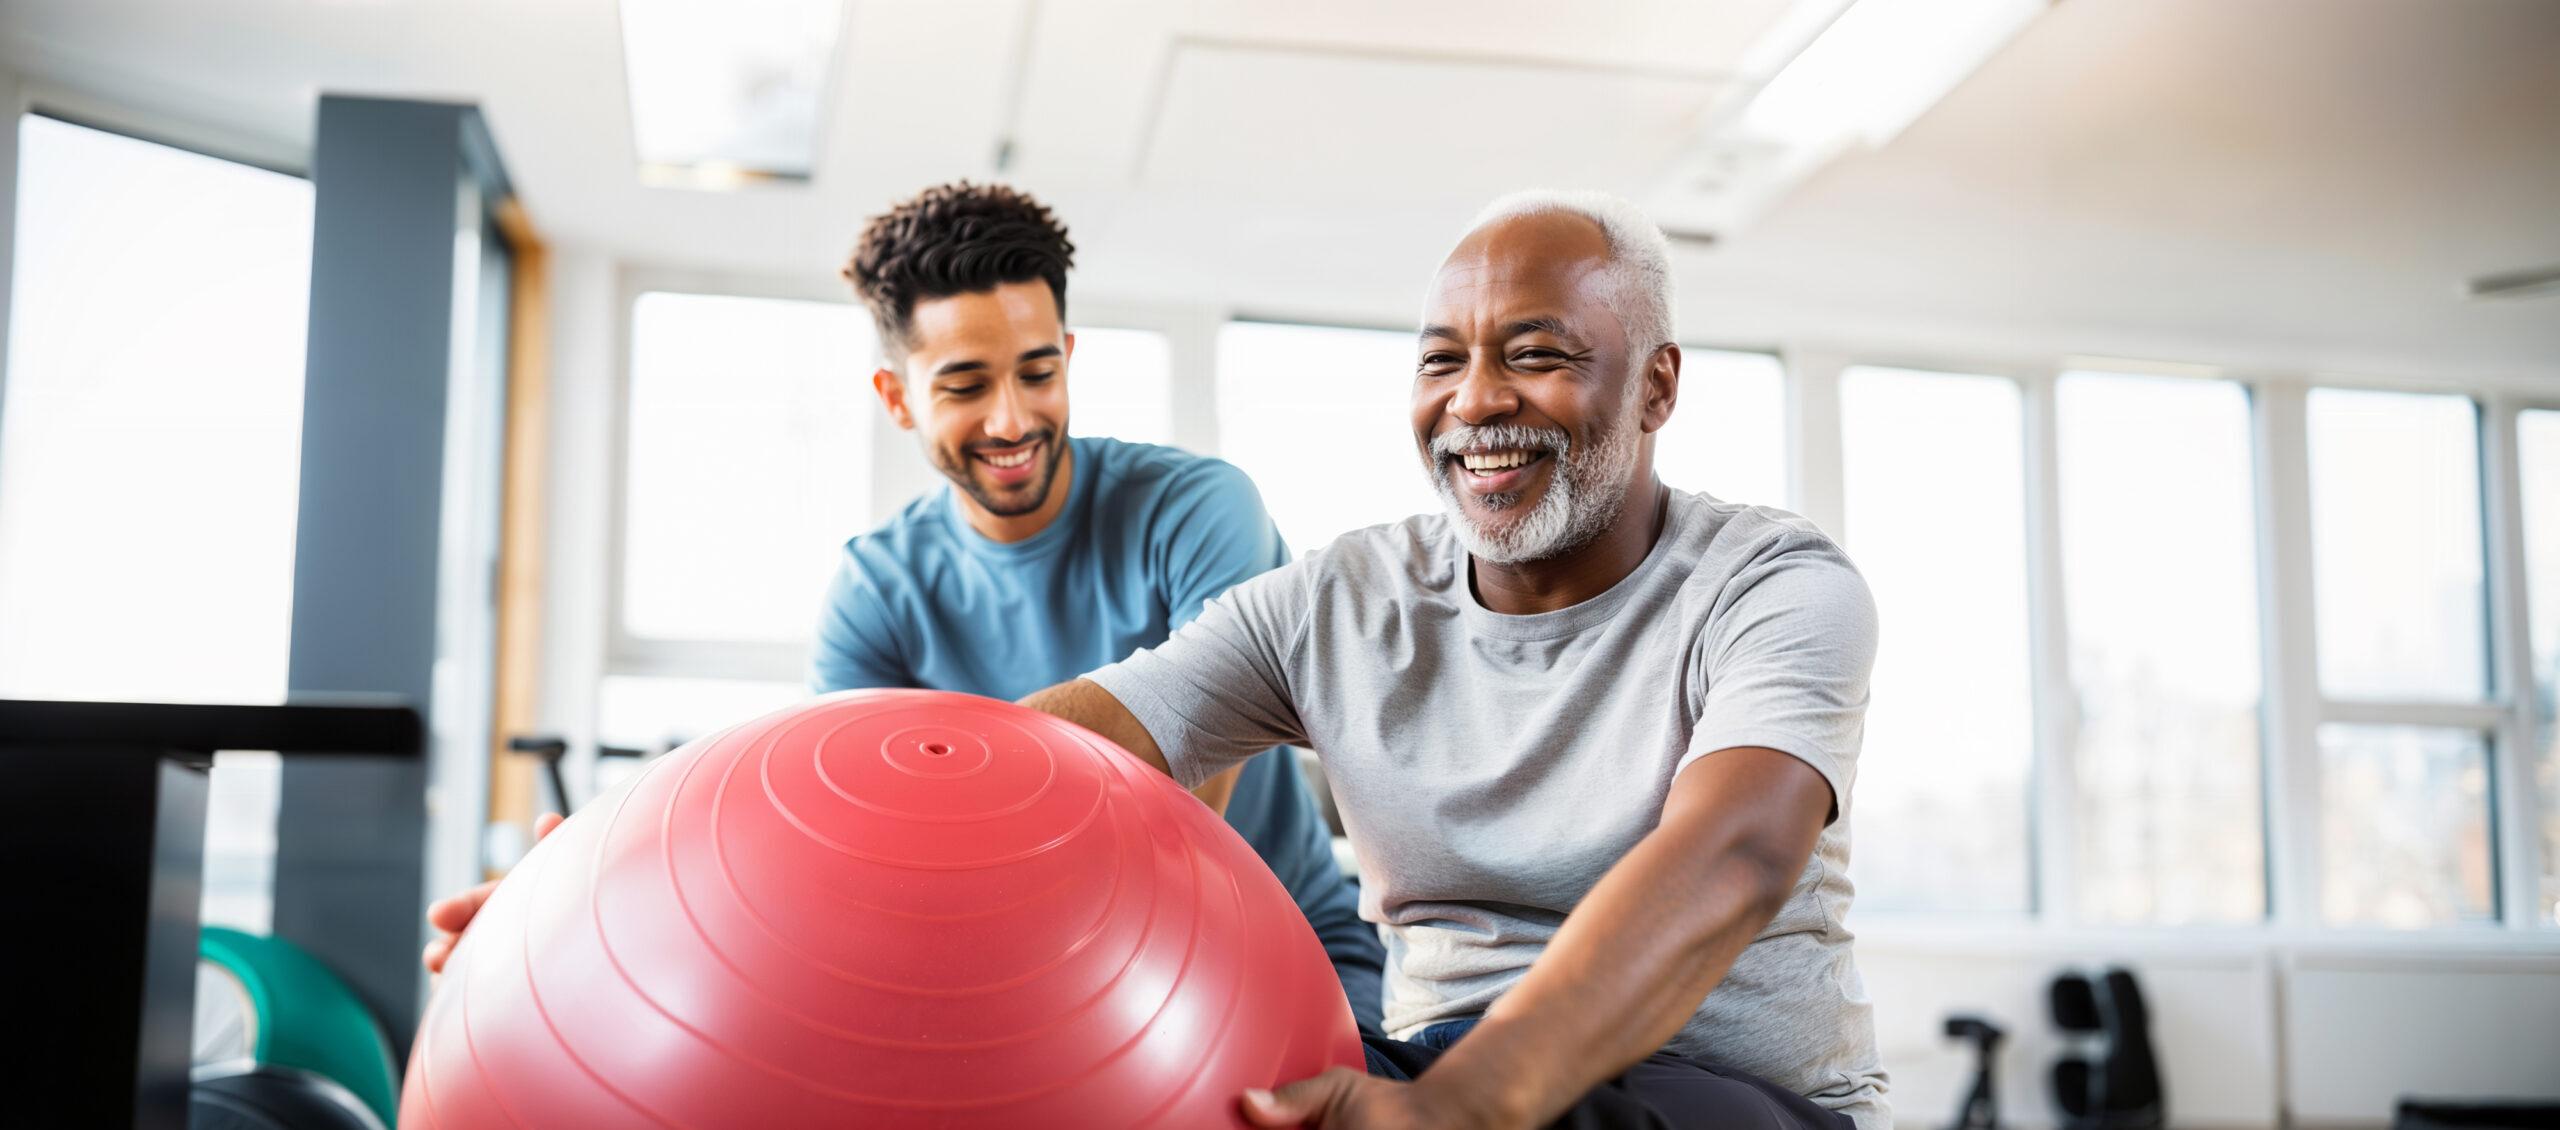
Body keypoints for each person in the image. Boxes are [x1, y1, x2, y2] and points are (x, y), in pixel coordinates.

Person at [425, 181, 1386, 1033]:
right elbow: (832, 846)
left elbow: (1174, 801)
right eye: (965, 384)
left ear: (1069, 356)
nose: (1012, 419)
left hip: (1277, 955)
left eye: (1038, 372)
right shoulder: (877, 591)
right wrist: (592, 905)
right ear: (897, 397)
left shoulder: (1196, 508)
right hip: (1027, 991)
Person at [1018, 190, 1886, 1129]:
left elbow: (1736, 855)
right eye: (1442, 360)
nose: (1474, 401)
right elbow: (1068, 751)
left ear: (1655, 386)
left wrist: (1470, 1108)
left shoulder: (1774, 586)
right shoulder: (1339, 600)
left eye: (1537, 355)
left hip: (1725, 1094)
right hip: (1445, 1062)